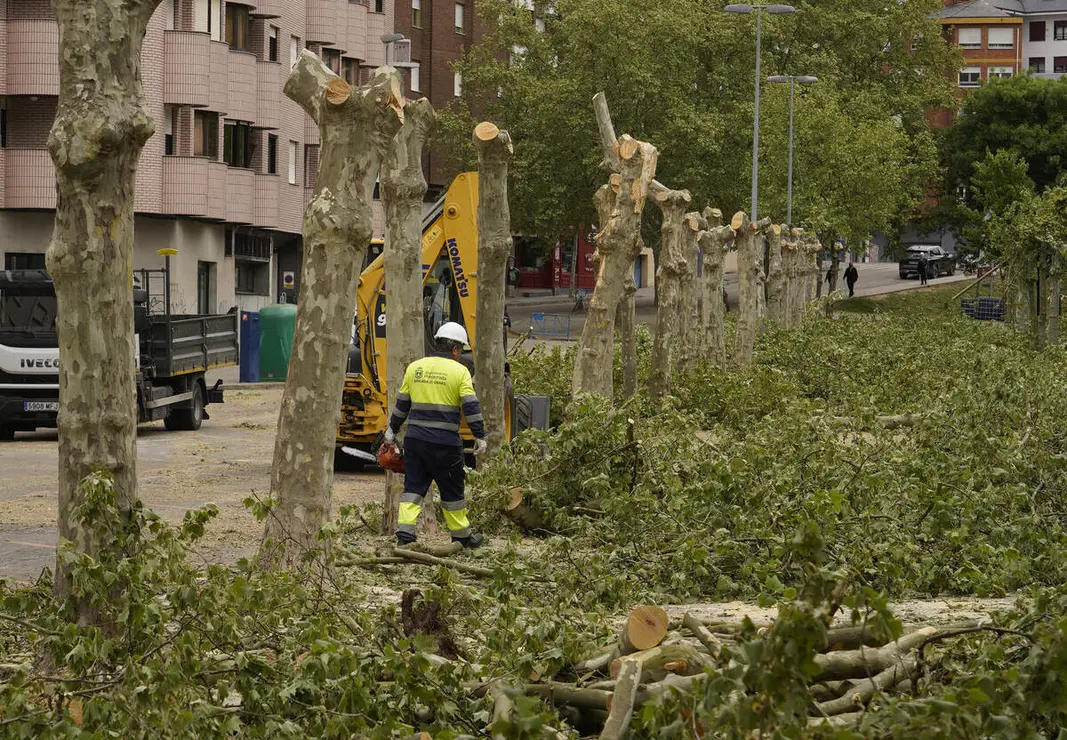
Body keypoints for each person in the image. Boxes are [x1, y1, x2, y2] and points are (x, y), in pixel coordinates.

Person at [384, 322, 487, 549]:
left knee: (413, 487)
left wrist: (391, 430)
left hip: (415, 441)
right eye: (461, 351)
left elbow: (402, 405)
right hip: (445, 444)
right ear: (455, 350)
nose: (460, 355)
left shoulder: (415, 367)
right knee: (452, 490)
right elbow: (471, 408)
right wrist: (479, 436)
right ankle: (461, 537)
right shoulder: (460, 372)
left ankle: (405, 534)